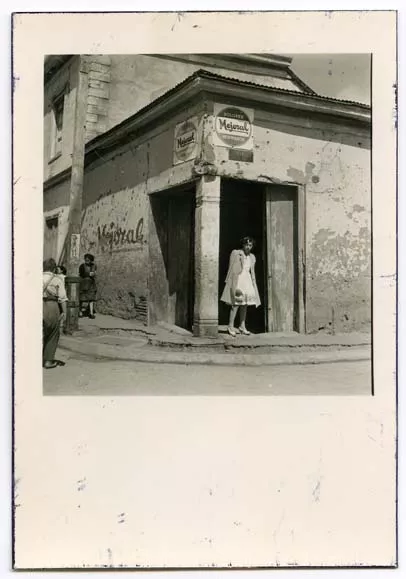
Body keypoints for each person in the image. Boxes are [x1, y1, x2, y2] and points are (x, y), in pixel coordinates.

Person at [220, 236, 261, 337]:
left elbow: (252, 271)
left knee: (245, 303)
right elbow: (231, 268)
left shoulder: (252, 257)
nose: (248, 247)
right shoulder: (236, 253)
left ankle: (242, 326)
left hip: (247, 280)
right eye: (246, 244)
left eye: (250, 245)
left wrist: (254, 283)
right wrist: (230, 281)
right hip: (238, 279)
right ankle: (230, 326)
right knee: (236, 303)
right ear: (243, 245)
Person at [43, 258, 68, 369]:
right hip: (51, 306)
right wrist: (64, 312)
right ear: (54, 268)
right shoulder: (57, 279)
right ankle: (48, 361)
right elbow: (62, 298)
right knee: (53, 333)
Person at [79, 253, 97, 319]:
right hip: (83, 283)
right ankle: (80, 312)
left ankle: (91, 313)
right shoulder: (82, 266)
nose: (87, 261)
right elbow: (81, 274)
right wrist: (88, 274)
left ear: (91, 260)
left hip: (91, 283)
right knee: (81, 298)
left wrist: (94, 274)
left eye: (88, 260)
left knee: (91, 298)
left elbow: (95, 272)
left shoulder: (94, 266)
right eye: (86, 260)